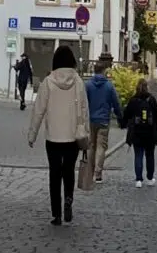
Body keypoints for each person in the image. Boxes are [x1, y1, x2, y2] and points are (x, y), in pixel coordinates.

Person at [28, 43, 90, 226]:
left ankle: (56, 214)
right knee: (69, 171)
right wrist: (86, 132)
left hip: (53, 137)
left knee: (54, 174)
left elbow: (38, 110)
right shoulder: (78, 82)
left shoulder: (48, 81)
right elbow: (85, 109)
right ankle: (69, 199)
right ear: (72, 61)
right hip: (73, 137)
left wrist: (32, 134)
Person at [84, 53, 124, 182]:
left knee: (91, 145)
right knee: (101, 146)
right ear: (103, 71)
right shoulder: (108, 86)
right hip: (103, 121)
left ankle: (89, 171)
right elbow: (116, 103)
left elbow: (84, 103)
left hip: (91, 119)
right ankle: (98, 174)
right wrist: (120, 117)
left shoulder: (88, 85)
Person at [122, 76, 157, 186]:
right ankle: (150, 178)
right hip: (150, 133)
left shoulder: (134, 100)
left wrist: (123, 124)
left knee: (138, 155)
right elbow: (156, 117)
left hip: (137, 132)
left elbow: (126, 115)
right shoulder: (152, 100)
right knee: (150, 155)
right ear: (147, 87)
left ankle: (138, 179)